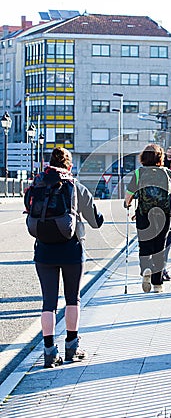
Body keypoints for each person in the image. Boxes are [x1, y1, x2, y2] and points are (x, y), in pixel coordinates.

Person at [25, 147, 104, 368]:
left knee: (48, 302)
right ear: (69, 166)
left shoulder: (37, 185)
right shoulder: (76, 187)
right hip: (71, 249)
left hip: (43, 250)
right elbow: (96, 221)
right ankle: (72, 347)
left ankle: (49, 352)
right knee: (72, 299)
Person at [125, 144, 171, 293]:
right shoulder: (169, 173)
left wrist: (127, 204)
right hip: (164, 215)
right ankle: (157, 284)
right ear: (160, 157)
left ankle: (146, 268)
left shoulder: (139, 173)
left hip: (143, 214)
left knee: (144, 245)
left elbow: (129, 193)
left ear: (144, 157)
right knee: (160, 247)